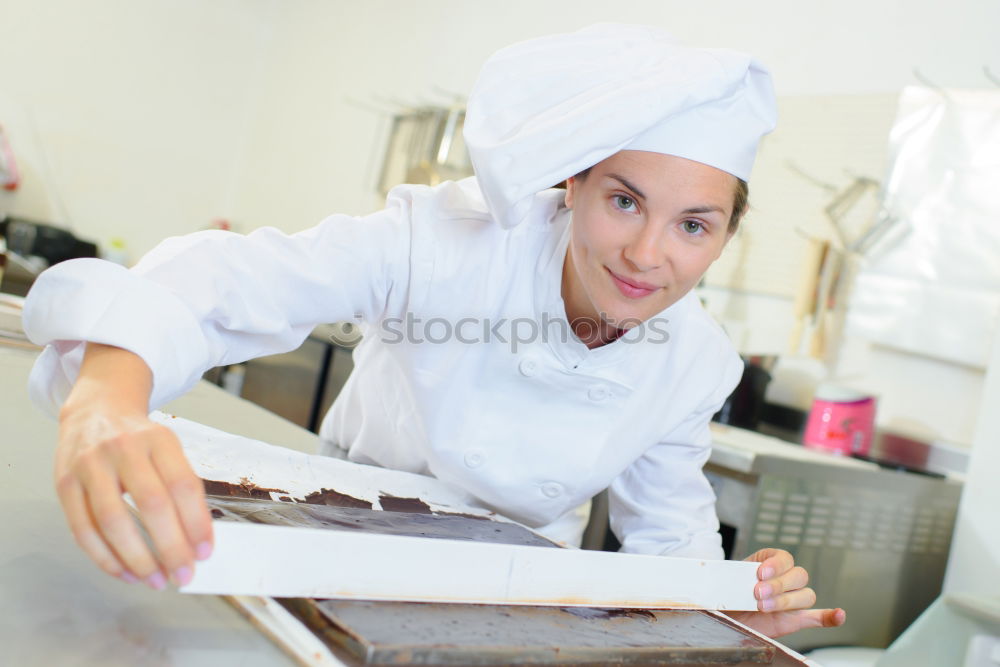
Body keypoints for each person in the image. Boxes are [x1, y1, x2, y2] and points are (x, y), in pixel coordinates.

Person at [24, 24, 845, 638]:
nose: (646, 254)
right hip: (327, 547)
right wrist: (107, 396)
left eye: (693, 226)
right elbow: (232, 280)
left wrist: (735, 607)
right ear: (573, 183)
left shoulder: (697, 361)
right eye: (624, 200)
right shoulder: (446, 238)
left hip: (513, 606)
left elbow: (671, 540)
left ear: (725, 238)